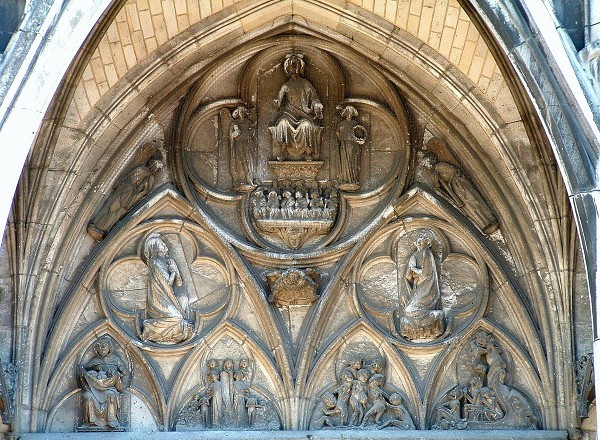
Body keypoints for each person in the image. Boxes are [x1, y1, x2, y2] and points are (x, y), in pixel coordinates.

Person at [87, 151, 163, 241]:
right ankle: (97, 226)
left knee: (117, 214)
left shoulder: (151, 178)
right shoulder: (142, 170)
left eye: (158, 169)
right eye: (156, 166)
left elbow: (144, 192)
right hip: (124, 193)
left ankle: (103, 230)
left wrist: (139, 193)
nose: (156, 170)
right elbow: (129, 179)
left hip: (130, 199)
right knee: (111, 207)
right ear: (151, 163)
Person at [269, 54, 323, 160]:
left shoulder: (305, 83)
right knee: (283, 123)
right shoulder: (286, 86)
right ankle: (283, 150)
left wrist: (317, 104)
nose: (293, 68)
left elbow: (315, 98)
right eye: (291, 66)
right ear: (287, 69)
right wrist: (276, 103)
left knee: (306, 125)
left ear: (300, 68)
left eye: (296, 65)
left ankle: (308, 152)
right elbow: (278, 102)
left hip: (304, 115)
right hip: (289, 114)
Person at [141, 234, 192, 344]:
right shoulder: (155, 262)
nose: (165, 247)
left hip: (168, 297)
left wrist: (176, 271)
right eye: (161, 245)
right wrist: (173, 271)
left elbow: (178, 283)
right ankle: (151, 328)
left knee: (183, 299)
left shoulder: (164, 262)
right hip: (159, 300)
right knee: (177, 319)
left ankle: (162, 331)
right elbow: (167, 284)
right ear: (155, 249)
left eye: (164, 244)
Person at [398, 231, 445, 340]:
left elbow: (426, 274)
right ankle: (432, 320)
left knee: (410, 311)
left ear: (427, 242)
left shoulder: (426, 253)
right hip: (417, 287)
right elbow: (408, 278)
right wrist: (411, 266)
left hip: (427, 287)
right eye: (418, 239)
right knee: (408, 311)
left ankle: (437, 316)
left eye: (422, 239)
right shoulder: (414, 255)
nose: (419, 241)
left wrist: (414, 269)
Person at [79, 336, 128, 429]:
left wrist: (116, 374)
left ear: (109, 348)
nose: (102, 349)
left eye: (104, 347)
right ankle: (91, 421)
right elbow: (84, 371)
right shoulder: (95, 361)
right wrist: (86, 374)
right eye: (100, 347)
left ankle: (111, 420)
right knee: (87, 396)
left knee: (110, 395)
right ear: (97, 349)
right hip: (95, 388)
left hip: (109, 387)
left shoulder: (115, 359)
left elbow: (124, 373)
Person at [337, 105, 366, 191]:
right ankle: (345, 179)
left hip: (354, 145)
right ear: (345, 114)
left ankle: (353, 179)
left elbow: (359, 134)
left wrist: (359, 141)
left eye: (351, 113)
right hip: (344, 144)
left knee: (353, 161)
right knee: (345, 162)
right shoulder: (341, 124)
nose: (349, 114)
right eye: (348, 113)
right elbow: (338, 134)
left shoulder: (355, 124)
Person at [229, 106, 256, 191]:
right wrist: (235, 133)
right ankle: (238, 181)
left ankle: (249, 180)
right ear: (237, 113)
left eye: (243, 111)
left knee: (248, 161)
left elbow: (252, 133)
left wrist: (252, 130)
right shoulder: (235, 123)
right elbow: (231, 135)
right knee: (239, 162)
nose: (241, 113)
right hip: (238, 144)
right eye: (239, 111)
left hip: (247, 144)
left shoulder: (248, 122)